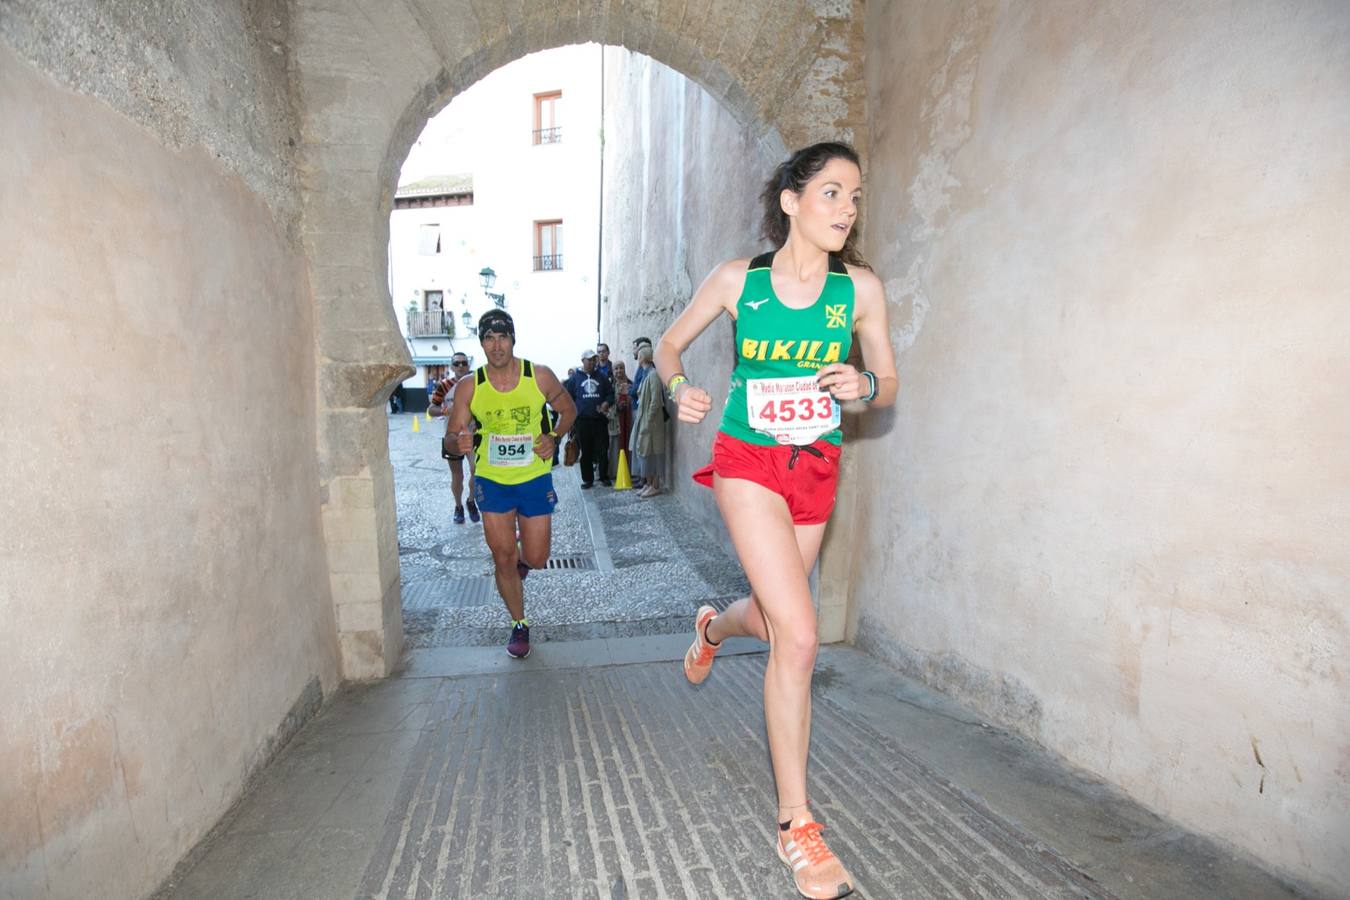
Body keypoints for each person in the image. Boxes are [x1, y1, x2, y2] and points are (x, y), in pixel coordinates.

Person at [655, 142, 897, 900]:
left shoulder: (859, 292)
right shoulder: (738, 281)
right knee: (799, 632)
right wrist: (678, 387)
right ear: (791, 200)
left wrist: (864, 382)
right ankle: (798, 825)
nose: (847, 209)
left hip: (816, 467)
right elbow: (669, 345)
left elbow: (887, 383)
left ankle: (711, 629)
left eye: (855, 197)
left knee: (768, 615)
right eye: (832, 193)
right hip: (747, 463)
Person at [445, 310, 575, 658]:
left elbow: (569, 410)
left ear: (513, 339)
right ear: (482, 343)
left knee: (536, 556)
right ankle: (519, 623)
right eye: (489, 338)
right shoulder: (470, 386)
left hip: (533, 477)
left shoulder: (539, 376)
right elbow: (450, 437)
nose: (496, 345)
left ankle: (520, 564)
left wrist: (554, 436)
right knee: (502, 556)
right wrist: (457, 441)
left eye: (503, 337)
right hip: (492, 479)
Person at [428, 352, 479, 524]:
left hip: (474, 436)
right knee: (457, 476)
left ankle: (471, 501)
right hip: (452, 437)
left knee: (476, 471)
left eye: (464, 363)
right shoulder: (445, 385)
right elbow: (431, 409)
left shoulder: (477, 384)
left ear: (468, 366)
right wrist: (444, 410)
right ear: (451, 367)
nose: (461, 366)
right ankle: (458, 506)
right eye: (456, 364)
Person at [563, 349, 615, 489]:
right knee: (585, 451)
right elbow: (568, 399)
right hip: (582, 421)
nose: (592, 362)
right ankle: (588, 480)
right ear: (583, 361)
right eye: (589, 360)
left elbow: (611, 394)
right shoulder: (575, 379)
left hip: (599, 420)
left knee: (603, 448)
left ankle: (603, 476)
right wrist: (571, 417)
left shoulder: (602, 377)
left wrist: (606, 403)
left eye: (594, 359)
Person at [631, 345, 666, 497]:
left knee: (654, 453)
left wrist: (649, 420)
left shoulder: (653, 375)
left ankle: (655, 485)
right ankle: (649, 484)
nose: (637, 358)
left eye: (639, 355)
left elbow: (655, 401)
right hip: (645, 420)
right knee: (646, 453)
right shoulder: (646, 374)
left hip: (652, 422)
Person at [610, 361, 632, 480]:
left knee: (628, 442)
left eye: (621, 368)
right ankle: (616, 471)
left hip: (628, 418)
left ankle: (629, 470)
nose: (619, 371)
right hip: (616, 420)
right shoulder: (610, 386)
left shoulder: (630, 384)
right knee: (615, 445)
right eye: (616, 368)